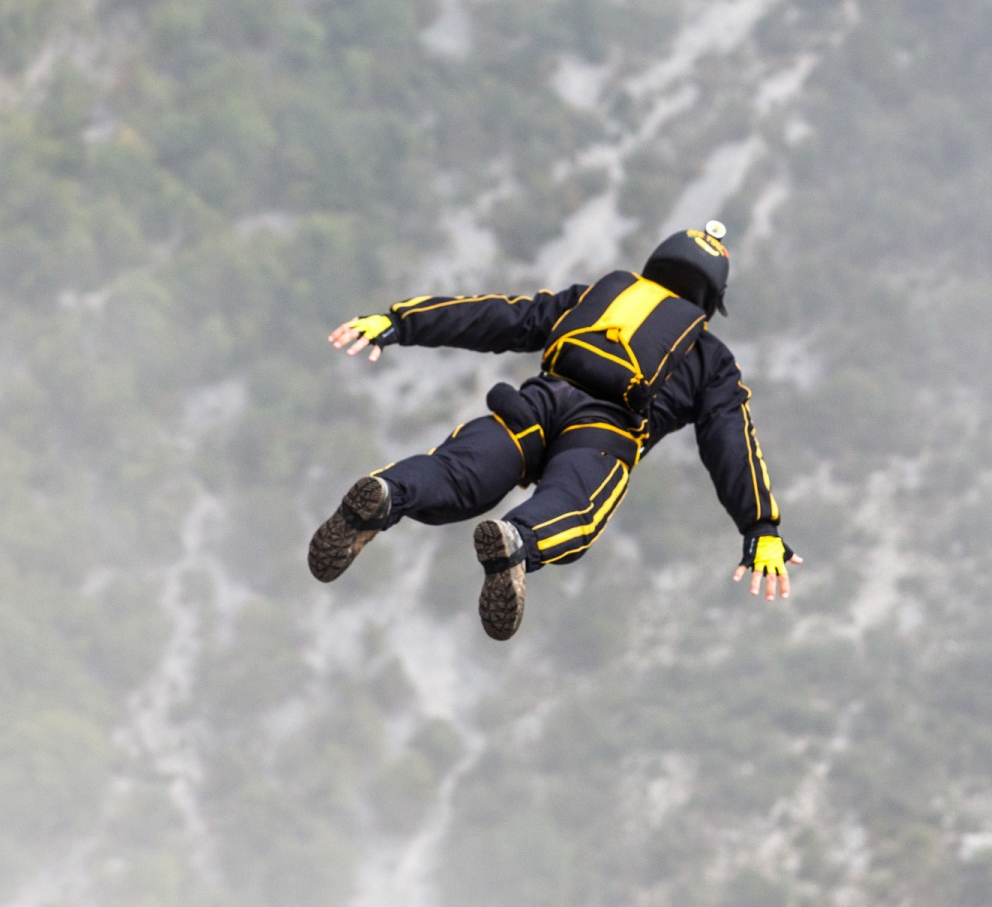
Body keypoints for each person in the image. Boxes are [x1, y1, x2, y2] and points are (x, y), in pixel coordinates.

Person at [307, 221, 800, 640]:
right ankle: (517, 541)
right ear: (710, 303)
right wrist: (761, 526)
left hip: (534, 406)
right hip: (603, 435)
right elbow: (730, 441)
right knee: (576, 508)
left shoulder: (593, 298)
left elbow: (498, 316)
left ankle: (390, 493)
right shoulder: (710, 358)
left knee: (458, 475)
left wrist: (399, 321)